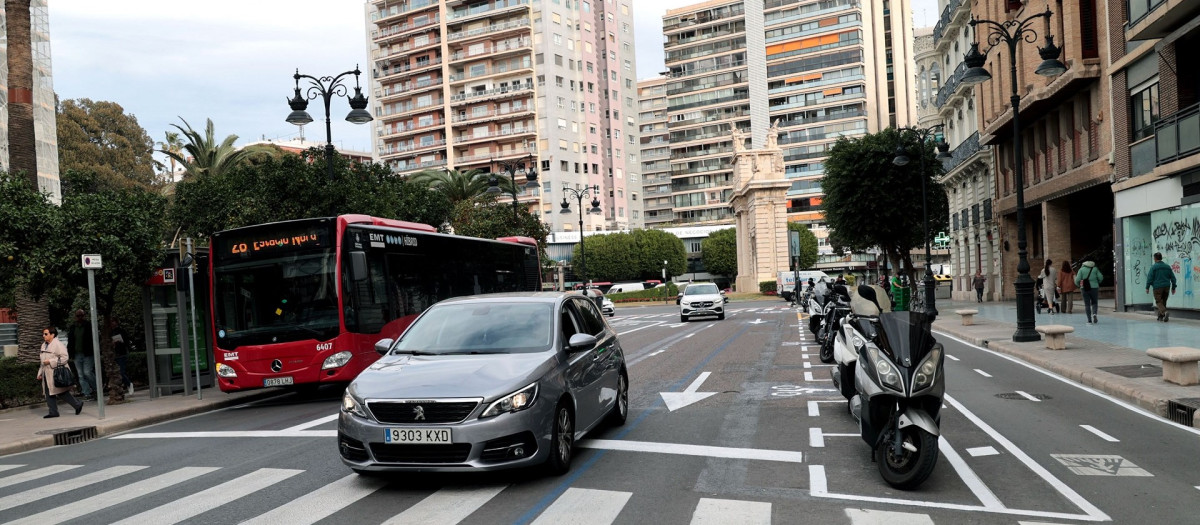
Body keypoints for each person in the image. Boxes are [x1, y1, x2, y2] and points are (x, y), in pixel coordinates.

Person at [37, 326, 84, 418]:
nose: (44, 336)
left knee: (60, 391)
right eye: (43, 334)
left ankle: (77, 404)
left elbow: (64, 358)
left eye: (46, 334)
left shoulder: (58, 344)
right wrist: (40, 373)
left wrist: (50, 361)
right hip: (47, 373)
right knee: (48, 392)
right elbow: (42, 361)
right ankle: (53, 412)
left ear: (52, 335)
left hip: (56, 373)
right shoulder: (43, 345)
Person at [66, 309, 97, 400]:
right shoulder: (73, 327)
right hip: (77, 354)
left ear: (84, 316)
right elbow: (70, 341)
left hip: (87, 353)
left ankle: (96, 388)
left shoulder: (88, 326)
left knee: (87, 372)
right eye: (78, 316)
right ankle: (87, 392)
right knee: (80, 375)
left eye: (81, 315)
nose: (79, 318)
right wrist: (70, 353)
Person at [1145, 252, 1178, 322]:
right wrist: (1173, 287)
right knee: (1163, 302)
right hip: (1166, 286)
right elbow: (1173, 278)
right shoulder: (1167, 267)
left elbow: (1149, 278)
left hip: (1157, 287)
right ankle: (1161, 317)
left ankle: (1165, 312)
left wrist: (1147, 287)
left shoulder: (1153, 267)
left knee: (1158, 301)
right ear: (1161, 258)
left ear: (1155, 258)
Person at [1075, 259, 1104, 324]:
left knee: (1087, 304)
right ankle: (1094, 314)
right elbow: (1101, 277)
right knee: (1094, 302)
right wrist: (1097, 282)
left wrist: (1079, 285)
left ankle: (1089, 320)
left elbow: (1077, 279)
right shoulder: (1095, 269)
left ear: (1083, 264)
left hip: (1084, 288)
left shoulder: (1081, 270)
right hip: (1094, 288)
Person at [110, 317, 134, 395]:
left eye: (113, 321)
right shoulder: (110, 332)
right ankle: (122, 386)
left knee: (121, 372)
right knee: (115, 373)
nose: (112, 323)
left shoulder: (121, 331)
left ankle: (129, 383)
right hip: (114, 354)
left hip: (121, 353)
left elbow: (126, 341)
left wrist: (120, 341)